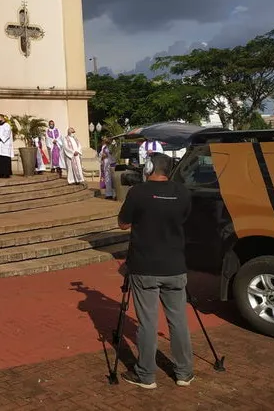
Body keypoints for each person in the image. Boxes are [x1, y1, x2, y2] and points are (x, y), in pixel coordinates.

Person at [117, 152, 195, 389]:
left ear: (149, 167)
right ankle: (184, 373)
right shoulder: (183, 192)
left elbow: (123, 223)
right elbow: (184, 218)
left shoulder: (138, 192)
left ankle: (146, 375)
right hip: (175, 266)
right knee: (178, 320)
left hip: (145, 267)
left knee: (147, 322)